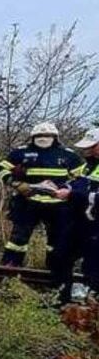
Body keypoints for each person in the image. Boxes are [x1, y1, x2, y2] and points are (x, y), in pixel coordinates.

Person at [0, 122, 86, 303]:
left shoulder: (68, 155)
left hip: (57, 206)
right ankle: (9, 272)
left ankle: (53, 277)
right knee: (18, 240)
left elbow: (81, 178)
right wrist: (16, 183)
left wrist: (68, 190)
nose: (43, 140)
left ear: (56, 138)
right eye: (39, 137)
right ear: (32, 137)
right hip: (28, 203)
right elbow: (0, 168)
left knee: (56, 243)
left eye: (48, 137)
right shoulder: (20, 152)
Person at [68, 128, 99, 300]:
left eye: (91, 147)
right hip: (87, 223)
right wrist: (65, 188)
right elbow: (75, 182)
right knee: (87, 262)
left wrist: (73, 195)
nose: (86, 150)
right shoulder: (87, 166)